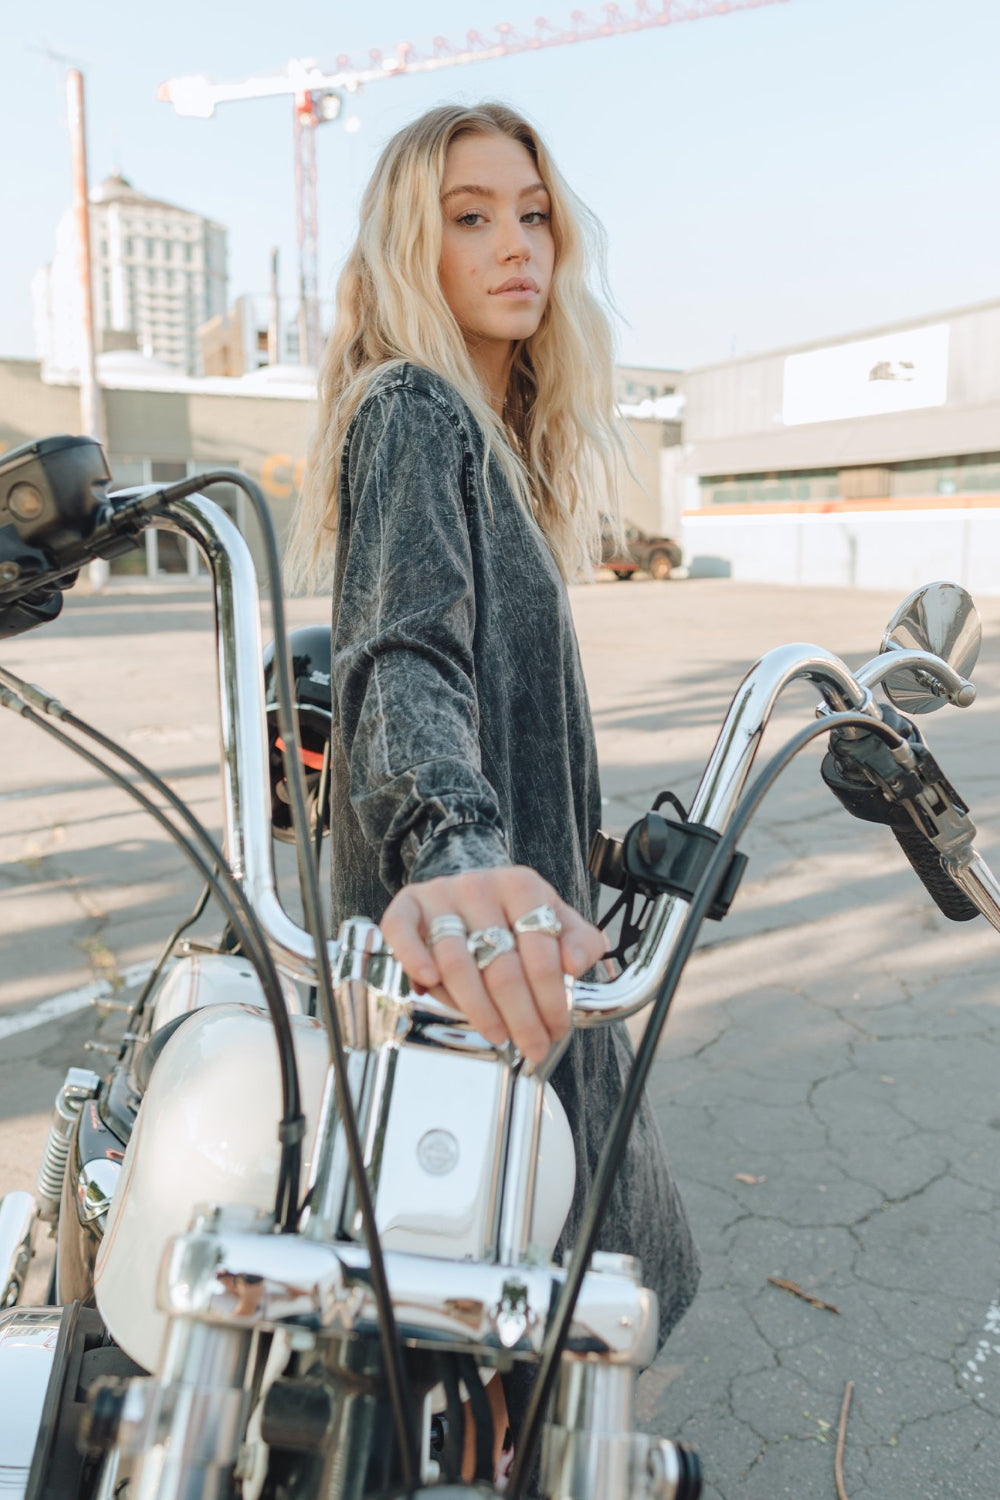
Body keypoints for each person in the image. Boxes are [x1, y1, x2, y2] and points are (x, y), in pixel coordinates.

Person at [287, 100, 699, 1482]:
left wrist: (575, 841)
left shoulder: (491, 440)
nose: (516, 243)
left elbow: (483, 689)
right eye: (470, 216)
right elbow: (400, 668)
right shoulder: (413, 411)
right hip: (482, 971)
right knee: (559, 1309)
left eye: (532, 213)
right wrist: (461, 853)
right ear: (415, 242)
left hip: (521, 945)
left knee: (522, 1331)